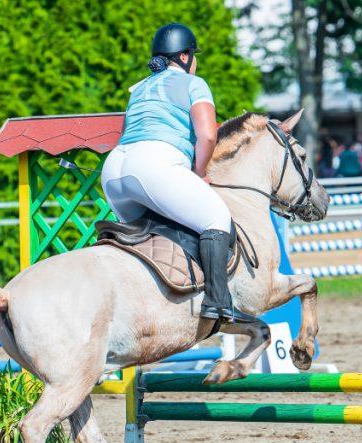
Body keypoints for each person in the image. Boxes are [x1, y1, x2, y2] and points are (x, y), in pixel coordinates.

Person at [100, 23, 255, 325]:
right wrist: (200, 173)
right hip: (154, 164)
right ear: (184, 56)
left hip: (114, 170)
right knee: (216, 219)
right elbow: (207, 136)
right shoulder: (194, 83)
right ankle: (217, 303)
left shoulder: (139, 88)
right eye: (194, 55)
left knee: (150, 234)